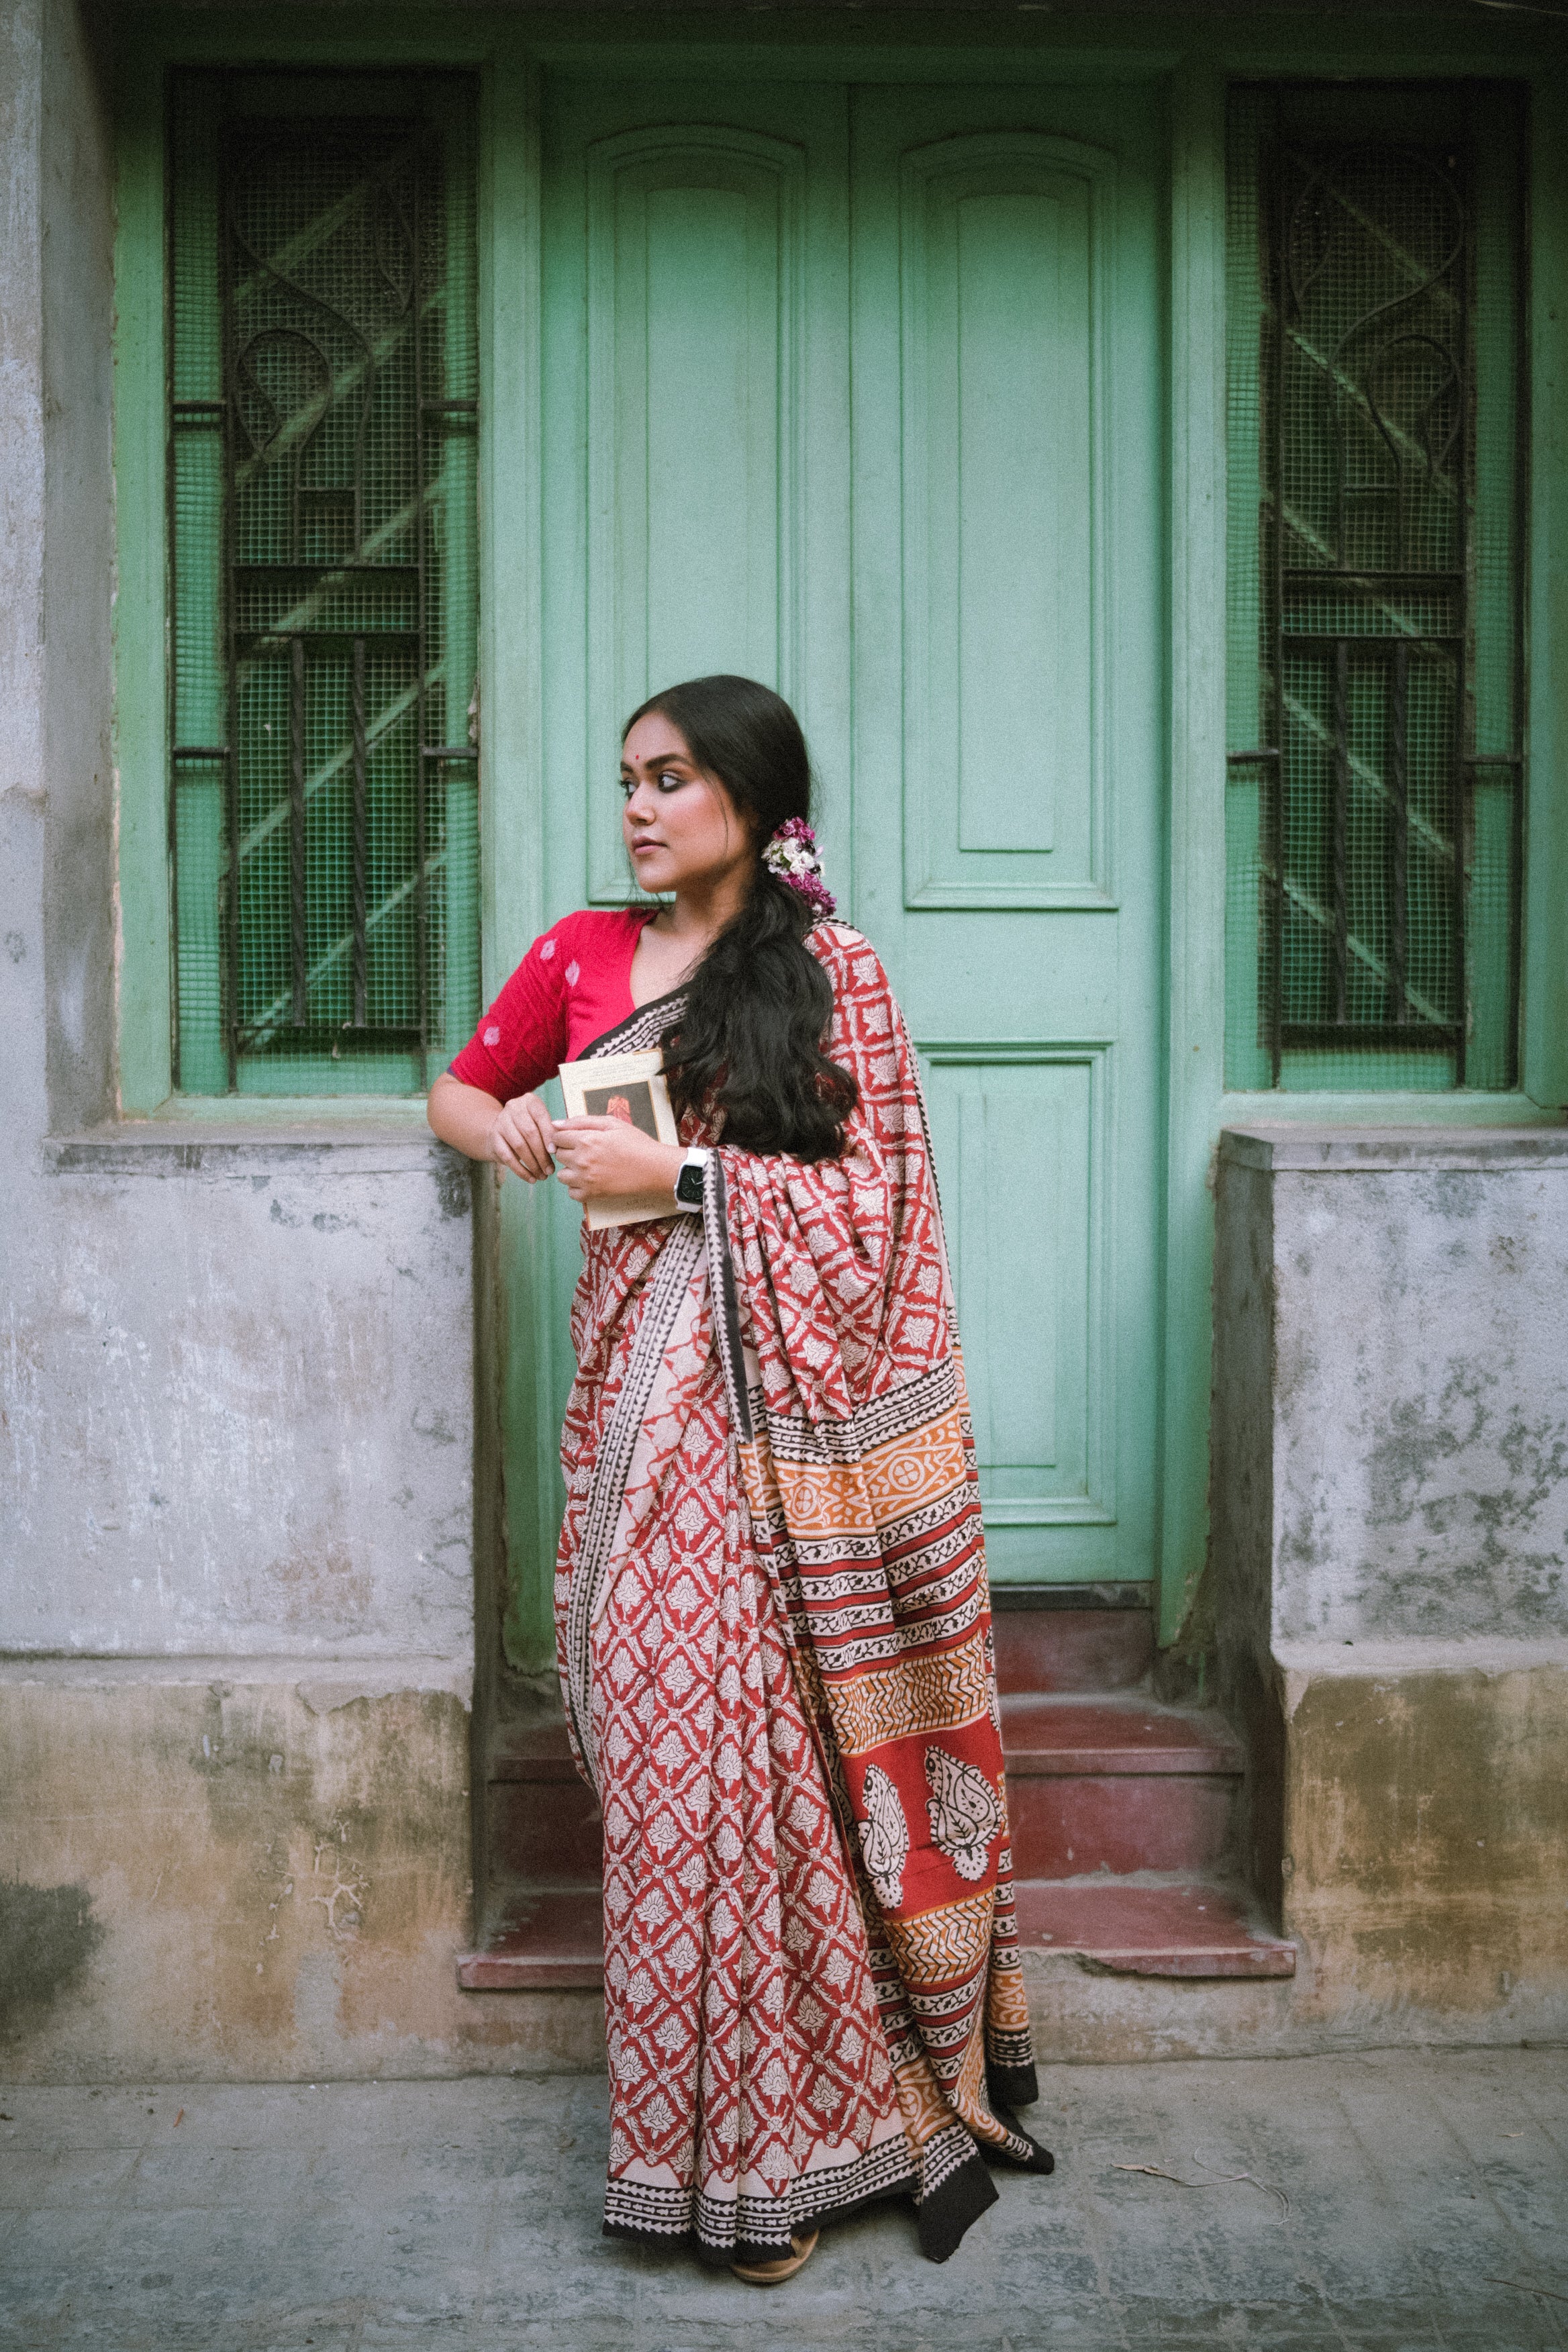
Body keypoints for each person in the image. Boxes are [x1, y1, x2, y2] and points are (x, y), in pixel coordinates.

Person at [429, 674, 1051, 2282]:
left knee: (762, 1785)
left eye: (674, 780)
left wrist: (685, 1174)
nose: (639, 807)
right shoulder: (580, 957)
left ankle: (779, 2165)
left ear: (756, 807)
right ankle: (689, 2148)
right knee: (669, 1780)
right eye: (628, 779)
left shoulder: (835, 976)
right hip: (634, 1430)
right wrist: (494, 1134)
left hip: (783, 1467)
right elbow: (463, 1086)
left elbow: (875, 1226)